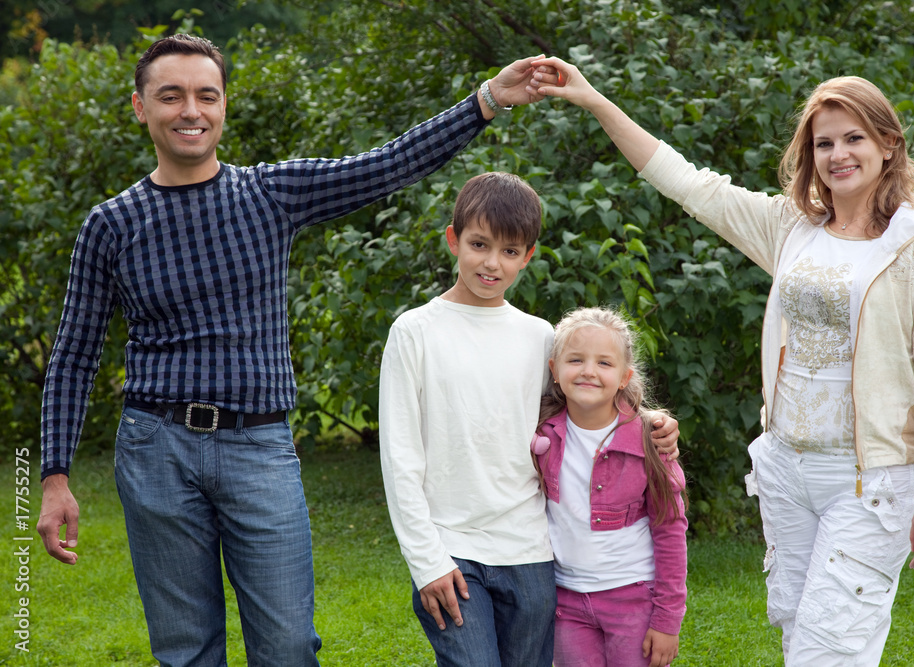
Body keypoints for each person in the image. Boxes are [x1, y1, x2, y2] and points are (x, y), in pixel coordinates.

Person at [35, 31, 557, 666]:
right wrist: (55, 474)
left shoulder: (269, 195)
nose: (190, 111)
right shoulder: (111, 224)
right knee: (184, 650)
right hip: (156, 452)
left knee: (286, 646)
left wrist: (486, 101)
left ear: (224, 106)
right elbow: (74, 354)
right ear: (142, 107)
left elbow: (387, 164)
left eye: (206, 95)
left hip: (259, 449)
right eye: (170, 96)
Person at [532, 59, 914, 664]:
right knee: (799, 631)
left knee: (830, 646)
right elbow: (685, 182)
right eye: (824, 143)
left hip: (870, 477)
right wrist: (593, 101)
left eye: (854, 138)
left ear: (889, 145)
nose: (838, 154)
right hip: (788, 467)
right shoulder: (793, 227)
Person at [378, 172, 681, 666]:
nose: (492, 263)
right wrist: (427, 561)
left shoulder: (538, 336)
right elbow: (399, 457)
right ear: (453, 239)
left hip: (531, 553)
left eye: (511, 251)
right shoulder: (415, 332)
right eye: (479, 244)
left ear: (529, 256)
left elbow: (586, 403)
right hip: (451, 552)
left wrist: (649, 421)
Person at [531, 306, 688, 667]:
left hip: (633, 597)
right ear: (554, 371)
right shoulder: (542, 434)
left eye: (604, 363)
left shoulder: (650, 441)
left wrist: (667, 620)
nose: (588, 371)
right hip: (566, 600)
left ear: (624, 377)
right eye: (575, 360)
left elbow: (670, 531)